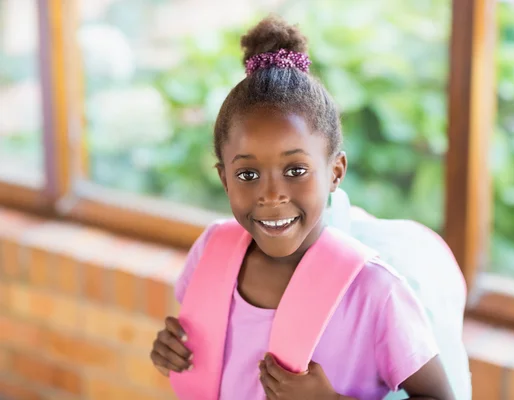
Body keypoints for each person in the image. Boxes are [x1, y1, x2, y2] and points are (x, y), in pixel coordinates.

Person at [150, 15, 455, 400]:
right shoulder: (211, 250)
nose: (271, 194)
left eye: (295, 170)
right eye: (247, 174)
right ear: (223, 177)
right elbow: (200, 343)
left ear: (335, 172)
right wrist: (169, 349)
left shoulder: (375, 292)